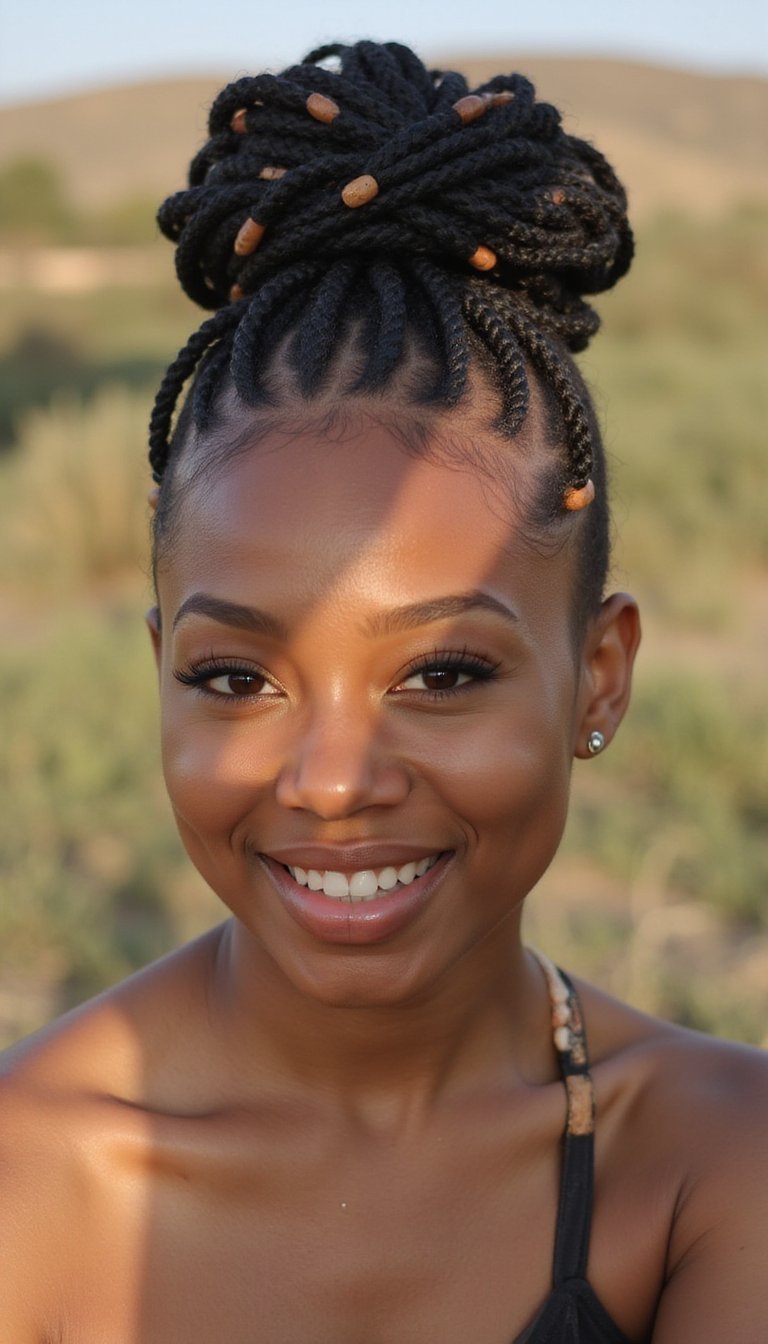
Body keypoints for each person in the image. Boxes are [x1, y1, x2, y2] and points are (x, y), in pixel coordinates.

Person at [1, 39, 766, 1343]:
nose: (333, 781)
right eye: (236, 677)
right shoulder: (33, 1181)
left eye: (443, 673)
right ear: (160, 678)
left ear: (599, 676)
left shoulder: (712, 1164)